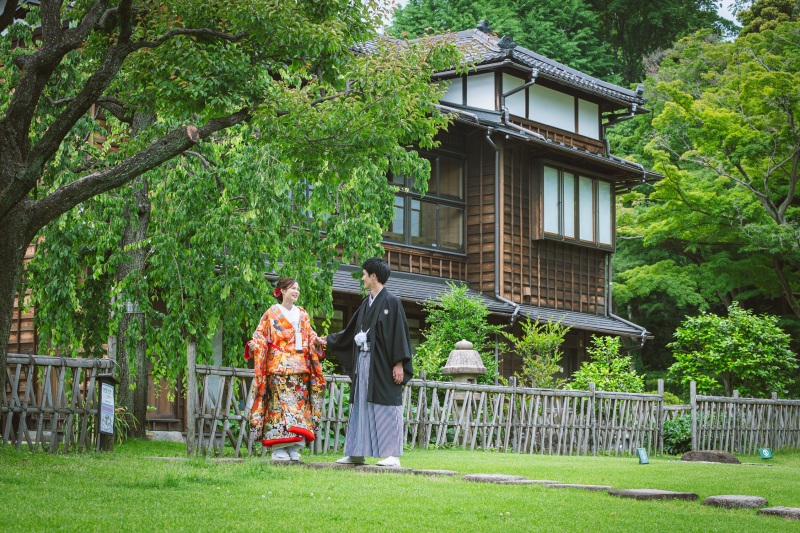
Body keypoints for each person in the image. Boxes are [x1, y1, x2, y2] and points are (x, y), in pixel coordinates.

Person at [320, 258, 413, 467]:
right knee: (360, 403)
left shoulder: (391, 301)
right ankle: (356, 451)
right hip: (364, 360)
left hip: (383, 362)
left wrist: (399, 364)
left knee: (387, 405)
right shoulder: (366, 302)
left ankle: (392, 454)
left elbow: (399, 333)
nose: (362, 278)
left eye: (364, 274)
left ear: (373, 276)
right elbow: (352, 330)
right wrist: (330, 339)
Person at [245, 277, 325, 461]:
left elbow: (310, 335)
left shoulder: (303, 314)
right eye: (292, 288)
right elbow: (260, 335)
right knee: (278, 407)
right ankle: (278, 447)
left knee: (298, 407)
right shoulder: (271, 313)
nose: (296, 291)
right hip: (278, 367)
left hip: (300, 367)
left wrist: (316, 341)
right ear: (281, 291)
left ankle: (294, 445)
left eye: (297, 289)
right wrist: (254, 344)